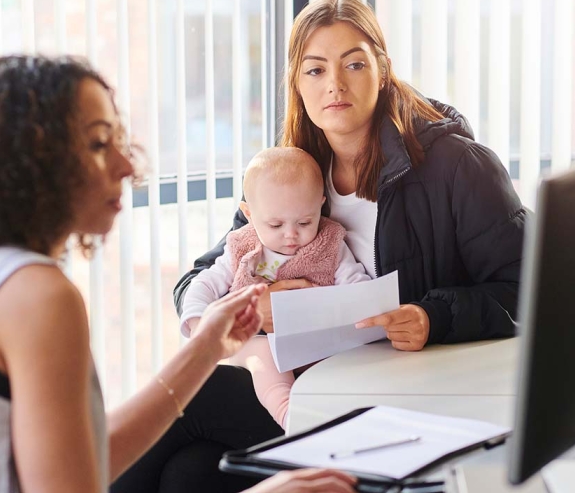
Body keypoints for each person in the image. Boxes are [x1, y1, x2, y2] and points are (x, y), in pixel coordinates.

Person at [0, 55, 357, 493]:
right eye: (100, 144)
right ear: (33, 165)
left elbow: (80, 459)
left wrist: (208, 345)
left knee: (193, 473)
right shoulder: (36, 295)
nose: (127, 164)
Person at [118, 0, 527, 491]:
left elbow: (527, 290)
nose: (335, 83)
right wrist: (249, 307)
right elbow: (208, 270)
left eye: (354, 63)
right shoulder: (293, 170)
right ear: (297, 83)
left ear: (382, 70)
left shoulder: (459, 167)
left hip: (400, 398)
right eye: (315, 69)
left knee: (196, 399)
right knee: (191, 473)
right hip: (307, 384)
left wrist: (431, 316)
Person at [181, 147, 371, 428]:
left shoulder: (330, 243)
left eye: (305, 221)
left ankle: (328, 414)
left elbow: (356, 285)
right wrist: (200, 326)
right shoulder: (242, 246)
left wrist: (361, 311)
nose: (291, 234)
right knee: (264, 357)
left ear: (320, 205)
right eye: (275, 224)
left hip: (316, 345)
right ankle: (288, 414)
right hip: (257, 343)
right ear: (248, 213)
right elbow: (203, 283)